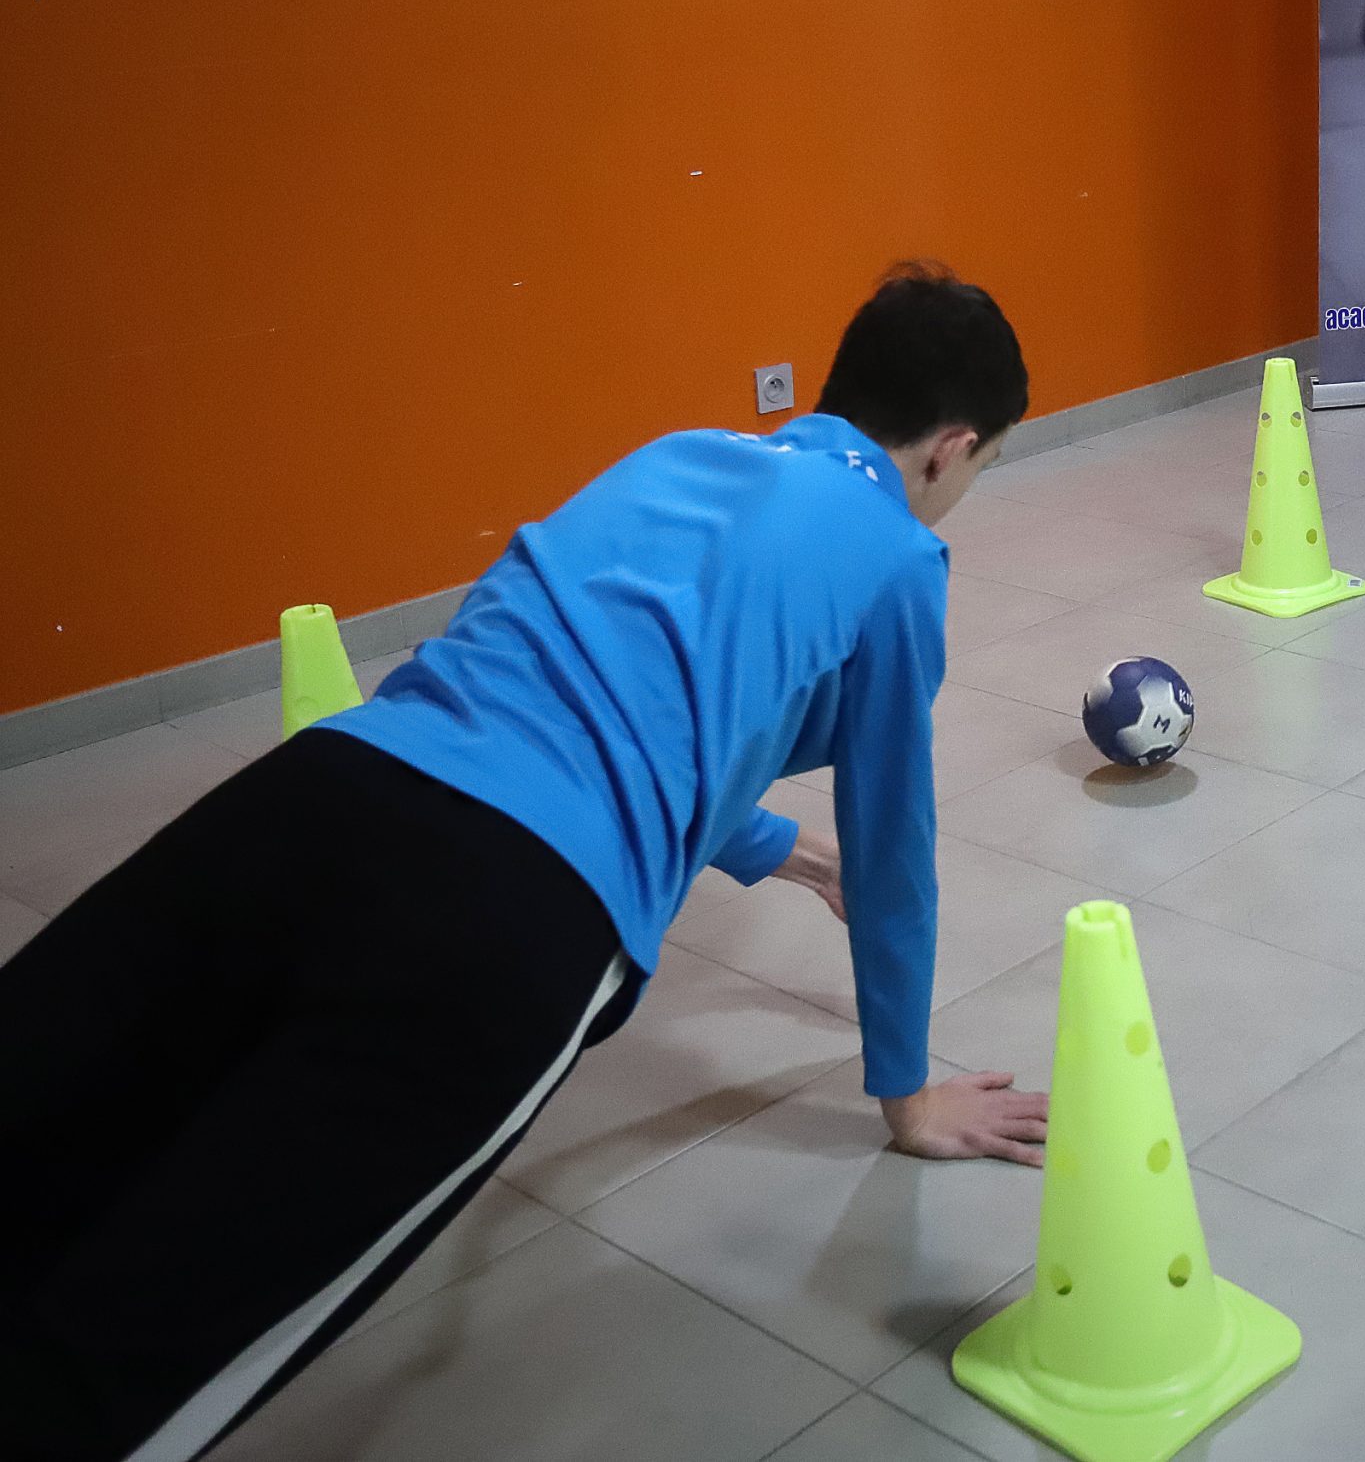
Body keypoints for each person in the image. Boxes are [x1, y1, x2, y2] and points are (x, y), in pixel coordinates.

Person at [0, 265, 1048, 1461]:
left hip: (323, 791)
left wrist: (776, 851)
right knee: (134, 1346)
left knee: (45, 1097)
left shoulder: (677, 458)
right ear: (949, 450)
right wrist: (906, 1095)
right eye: (984, 465)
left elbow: (598, 692)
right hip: (515, 911)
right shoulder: (899, 558)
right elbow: (894, 843)